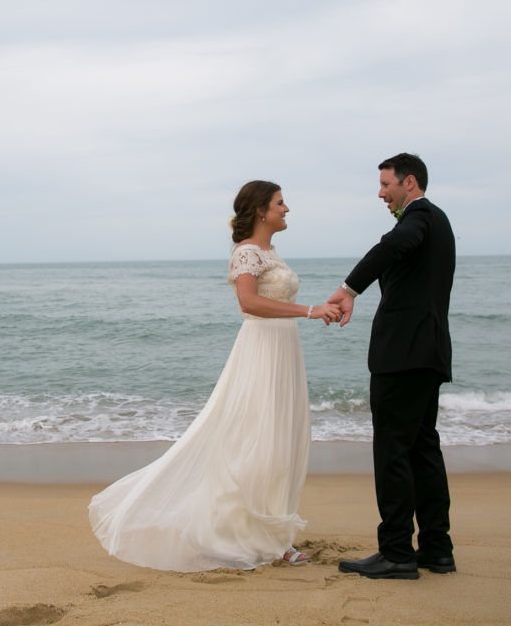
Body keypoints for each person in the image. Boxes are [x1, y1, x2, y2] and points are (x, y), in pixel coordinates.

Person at [88, 181, 342, 572]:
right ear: (261, 211)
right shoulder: (246, 252)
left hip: (284, 349)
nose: (287, 209)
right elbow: (249, 302)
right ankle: (244, 534)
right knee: (256, 441)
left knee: (280, 441)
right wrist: (311, 310)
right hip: (261, 350)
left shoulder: (271, 252)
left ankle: (274, 534)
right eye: (280, 203)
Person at [329, 153, 456, 580]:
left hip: (403, 356)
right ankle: (436, 548)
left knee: (393, 452)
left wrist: (350, 288)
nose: (381, 193)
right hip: (428, 353)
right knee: (422, 449)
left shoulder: (419, 218)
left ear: (410, 182)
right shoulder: (438, 222)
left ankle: (397, 551)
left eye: (387, 185)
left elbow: (393, 246)